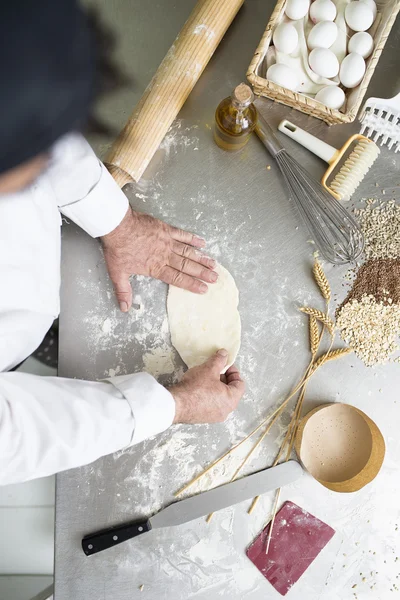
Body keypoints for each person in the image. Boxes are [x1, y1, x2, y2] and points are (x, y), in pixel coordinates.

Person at [0, 2, 245, 486]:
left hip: (24, 308)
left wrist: (117, 221)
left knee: (53, 336)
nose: (49, 159)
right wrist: (166, 407)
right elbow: (13, 434)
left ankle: (42, 338)